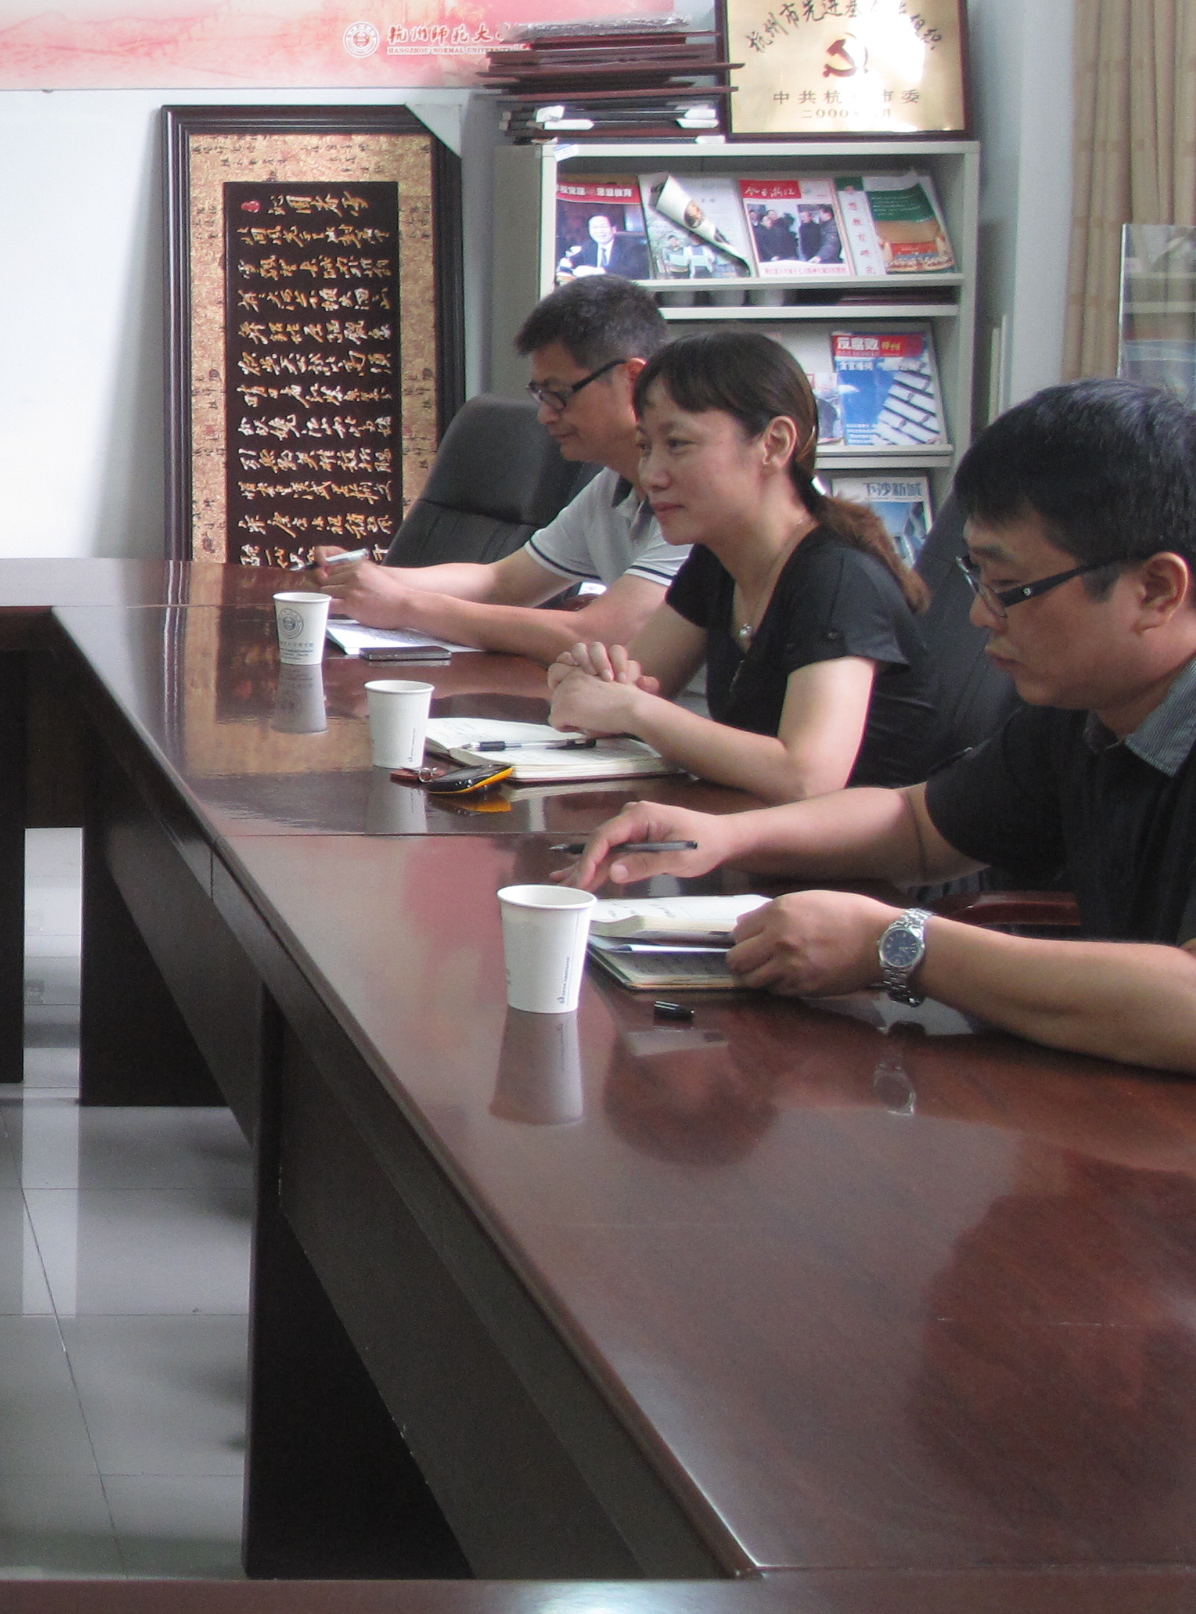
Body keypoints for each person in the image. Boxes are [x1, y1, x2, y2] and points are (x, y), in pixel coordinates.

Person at [576, 379, 1196, 1072]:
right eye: (978, 579)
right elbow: (920, 826)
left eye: (1008, 588)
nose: (979, 616)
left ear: (1157, 591)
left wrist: (900, 945)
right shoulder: (1083, 711)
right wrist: (725, 835)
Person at [547, 328, 936, 801]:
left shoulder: (837, 577)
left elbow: (807, 776)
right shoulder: (718, 557)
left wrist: (628, 708)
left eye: (678, 444)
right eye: (646, 447)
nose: (651, 475)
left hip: (863, 849)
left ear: (774, 443)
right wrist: (586, 681)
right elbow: (636, 681)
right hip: (757, 830)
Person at [313, 278, 691, 660]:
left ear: (633, 379)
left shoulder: (693, 496)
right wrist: (362, 578)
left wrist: (404, 605)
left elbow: (599, 634)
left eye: (559, 394)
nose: (545, 416)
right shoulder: (612, 487)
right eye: (541, 396)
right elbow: (502, 582)